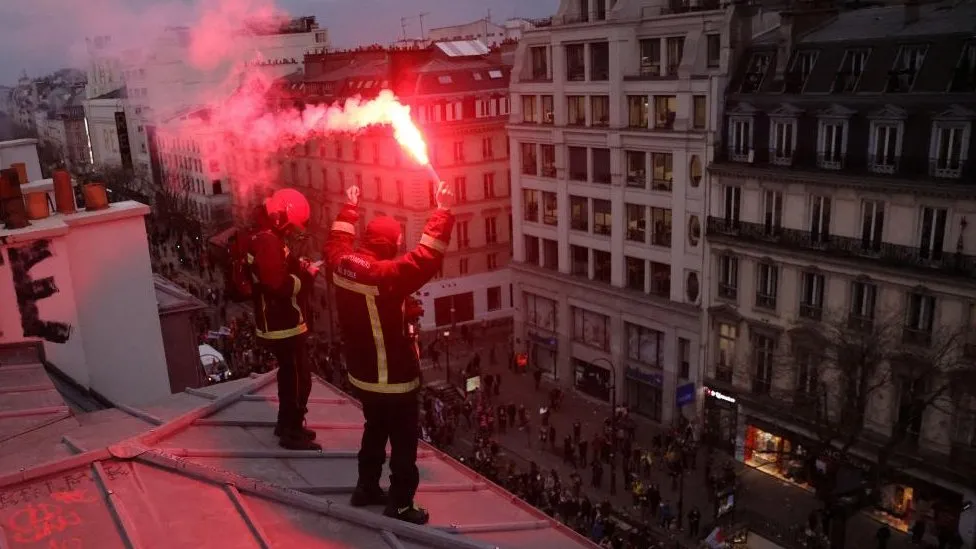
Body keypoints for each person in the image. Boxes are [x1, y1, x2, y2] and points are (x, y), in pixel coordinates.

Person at [325, 181, 455, 525]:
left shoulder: (340, 263)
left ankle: (366, 487)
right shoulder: (385, 274)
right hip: (394, 378)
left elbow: (336, 240)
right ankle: (400, 504)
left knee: (374, 429)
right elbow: (427, 257)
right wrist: (441, 209)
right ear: (391, 244)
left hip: (362, 376)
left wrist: (349, 209)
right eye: (398, 243)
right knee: (403, 442)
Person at [249, 188, 322, 451]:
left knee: (293, 375)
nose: (292, 231)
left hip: (283, 322)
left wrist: (299, 265)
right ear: (280, 217)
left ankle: (287, 424)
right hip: (281, 324)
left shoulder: (269, 236)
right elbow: (278, 284)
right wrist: (307, 277)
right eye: (290, 225)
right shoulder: (268, 239)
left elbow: (280, 268)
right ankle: (291, 431)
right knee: (297, 378)